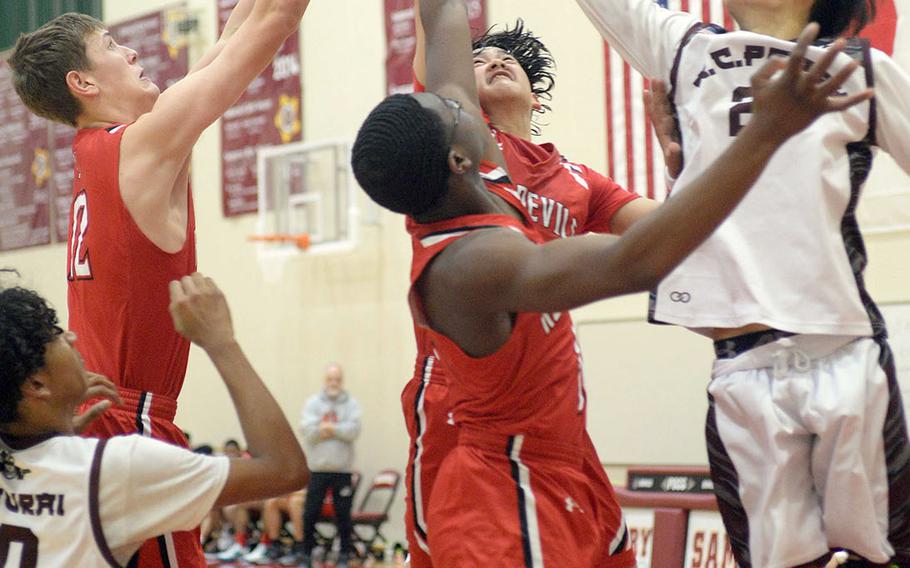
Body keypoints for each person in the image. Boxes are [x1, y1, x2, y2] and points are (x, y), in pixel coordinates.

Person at [352, 0, 867, 557]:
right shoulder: (472, 257)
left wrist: (687, 164)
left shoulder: (544, 176)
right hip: (480, 436)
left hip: (558, 438)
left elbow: (445, 14)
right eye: (459, 106)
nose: (462, 100)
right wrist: (759, 134)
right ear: (459, 156)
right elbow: (639, 260)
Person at [574, 0, 910, 565]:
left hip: (842, 351)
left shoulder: (861, 68)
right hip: (741, 367)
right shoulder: (687, 49)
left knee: (885, 554)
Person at [6, 1, 311, 565]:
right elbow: (272, 24)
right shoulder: (138, 145)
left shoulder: (106, 151)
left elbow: (229, 39)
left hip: (99, 417)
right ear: (83, 82)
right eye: (113, 47)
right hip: (129, 423)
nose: (134, 51)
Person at [404, 10, 667, 566]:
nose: (495, 60)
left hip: (547, 390)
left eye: (507, 59)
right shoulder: (463, 144)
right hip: (463, 386)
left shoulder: (579, 180)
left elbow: (665, 231)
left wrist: (681, 161)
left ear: (536, 98)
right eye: (478, 59)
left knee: (596, 545)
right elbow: (438, 34)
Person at [0, 271, 309, 566]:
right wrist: (220, 342)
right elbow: (284, 469)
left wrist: (59, 429)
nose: (71, 336)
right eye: (54, 333)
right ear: (37, 385)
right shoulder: (112, 467)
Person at [299, 363, 362, 568]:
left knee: (343, 514)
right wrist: (332, 430)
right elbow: (307, 430)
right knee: (310, 513)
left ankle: (344, 553)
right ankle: (307, 553)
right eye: (330, 379)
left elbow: (353, 430)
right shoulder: (313, 403)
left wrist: (329, 428)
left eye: (337, 379)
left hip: (342, 470)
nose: (333, 383)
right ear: (325, 380)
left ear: (341, 381)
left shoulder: (351, 404)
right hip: (318, 469)